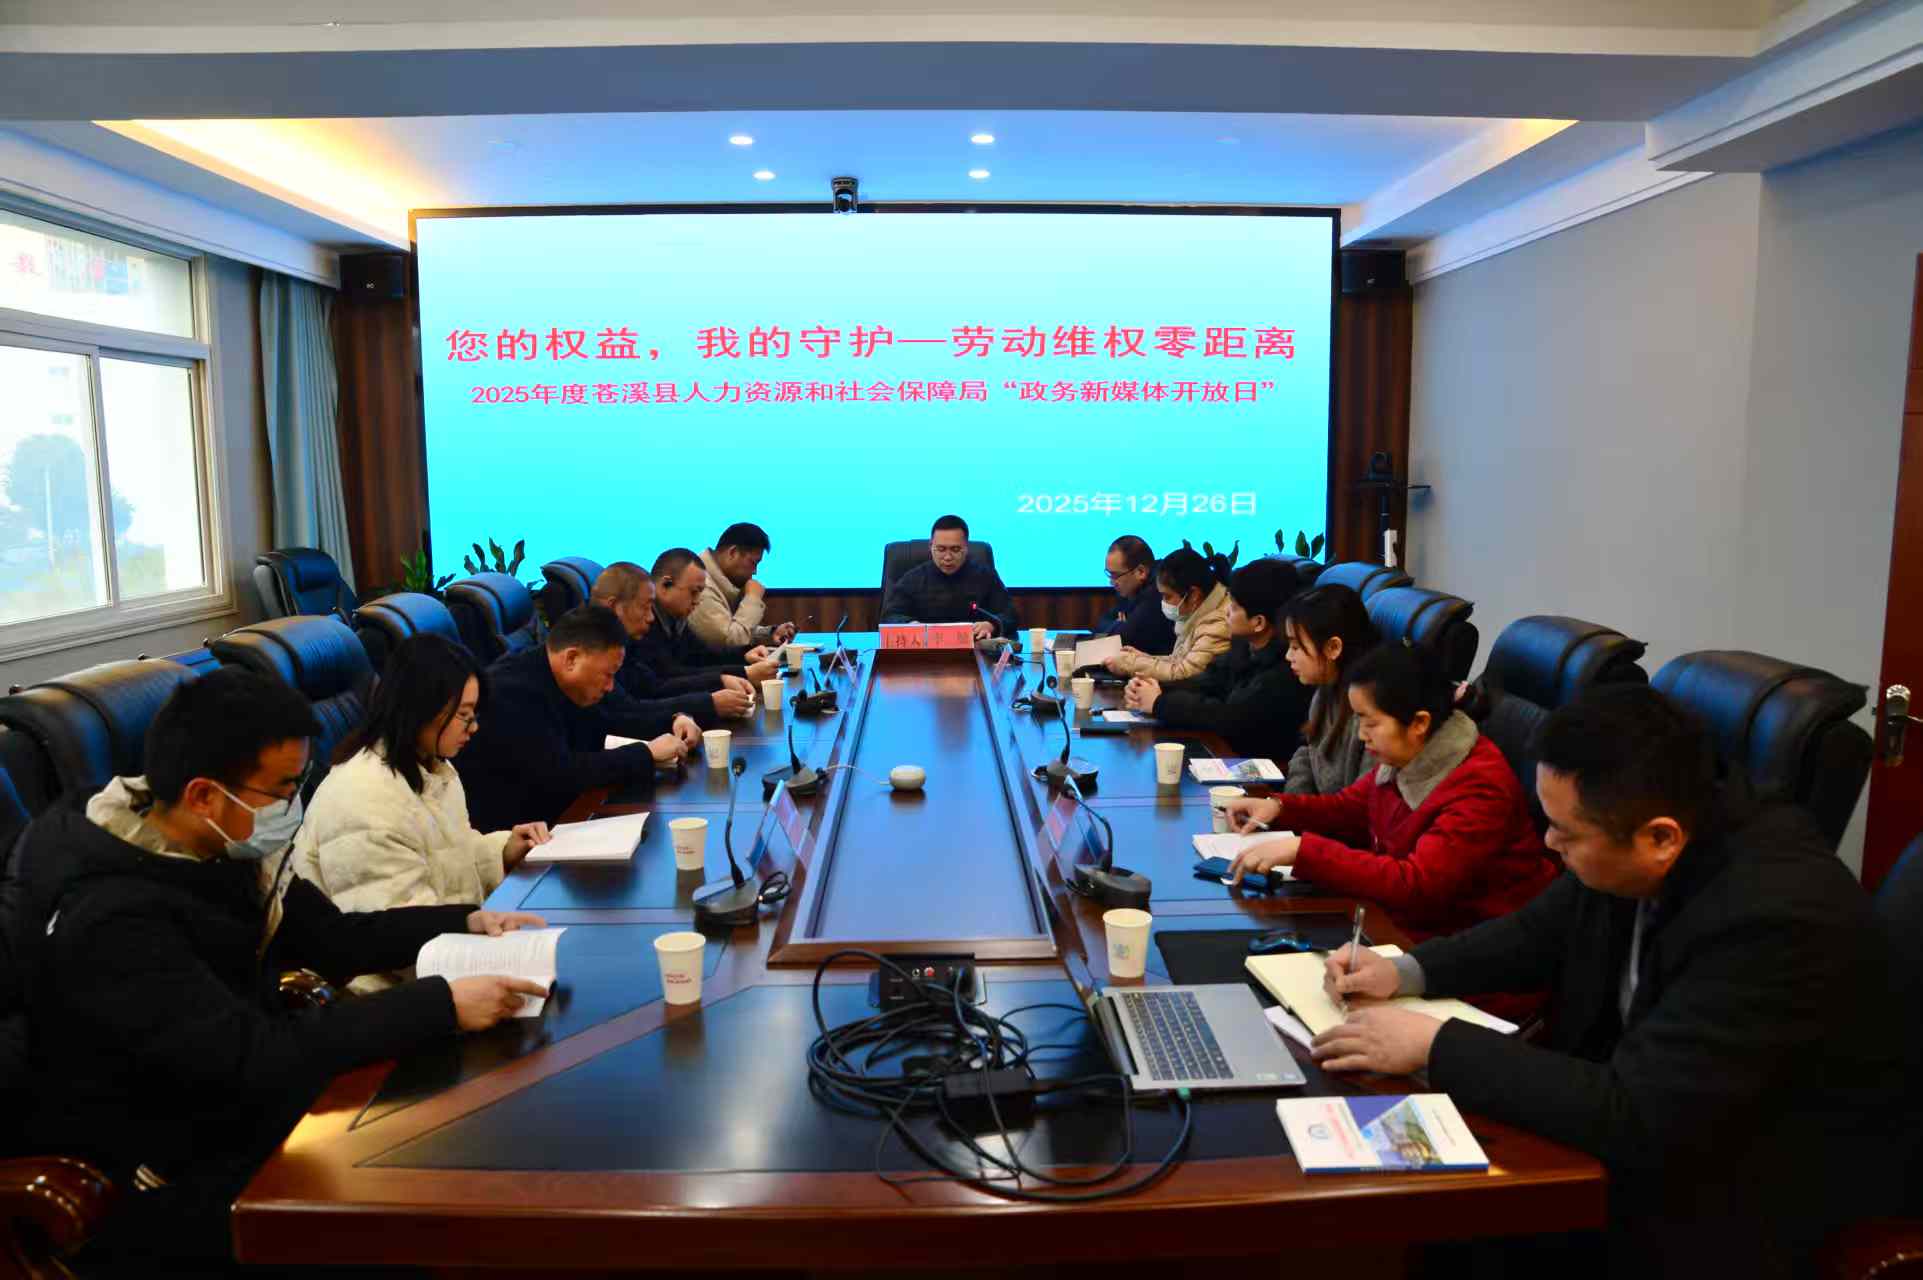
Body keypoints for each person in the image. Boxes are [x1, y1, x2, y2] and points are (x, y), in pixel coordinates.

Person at [1308, 685, 1915, 1279]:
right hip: (1651, 1127)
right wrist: (1403, 969)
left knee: (1427, 1227)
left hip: (1740, 1197)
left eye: (1565, 833)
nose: (1549, 843)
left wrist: (1433, 1043)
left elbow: (1640, 1115)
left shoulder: (1773, 919)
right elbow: (1536, 933)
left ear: (1660, 838)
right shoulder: (1651, 832)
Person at [15, 669, 546, 1271]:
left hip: (240, 1101)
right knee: (424, 1196)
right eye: (284, 789)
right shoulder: (110, 918)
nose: (295, 805)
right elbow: (249, 1054)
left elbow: (338, 939)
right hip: (156, 1169)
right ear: (203, 795)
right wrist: (440, 1004)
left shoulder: (223, 844)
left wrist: (465, 920)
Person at [1223, 643, 1557, 951]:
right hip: (1395, 925)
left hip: (1461, 953)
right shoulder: (1410, 753)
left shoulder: (1480, 788)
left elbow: (1416, 884)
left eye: (1370, 723)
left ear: (1419, 722)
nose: (1361, 735)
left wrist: (1304, 850)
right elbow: (1349, 808)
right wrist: (1278, 807)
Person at [292, 634, 557, 992]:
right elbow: (395, 938)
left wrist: (503, 850)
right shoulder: (364, 799)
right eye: (464, 715)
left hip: (440, 961)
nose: (474, 727)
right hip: (381, 992)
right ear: (421, 709)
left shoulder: (430, 765)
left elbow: (445, 855)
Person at [455, 605, 690, 830]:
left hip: (555, 814)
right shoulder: (512, 692)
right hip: (515, 834)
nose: (610, 686)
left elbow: (612, 718)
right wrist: (646, 753)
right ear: (571, 659)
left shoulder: (558, 675)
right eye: (608, 675)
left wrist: (673, 720)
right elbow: (561, 774)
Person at [1123, 558, 1310, 761]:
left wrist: (1160, 703)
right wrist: (1151, 688)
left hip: (1256, 765)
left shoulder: (1285, 670)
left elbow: (1228, 717)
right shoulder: (1244, 646)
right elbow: (1208, 681)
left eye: (1235, 607)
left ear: (1258, 622)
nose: (1226, 610)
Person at [591, 561, 755, 726]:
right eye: (645, 607)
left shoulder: (626, 641)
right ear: (613, 607)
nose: (651, 617)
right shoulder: (594, 650)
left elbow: (653, 686)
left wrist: (742, 662)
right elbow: (626, 712)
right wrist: (709, 702)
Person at [1279, 582, 1380, 795]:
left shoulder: (1370, 713)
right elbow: (1308, 754)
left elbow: (1362, 802)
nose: (1288, 656)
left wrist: (1299, 808)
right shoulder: (1325, 691)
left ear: (1333, 647)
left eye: (1296, 646)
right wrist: (1295, 803)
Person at [640, 548, 783, 682]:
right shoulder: (643, 624)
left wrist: (745, 655)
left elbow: (704, 655)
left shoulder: (675, 619)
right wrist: (743, 673)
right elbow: (669, 676)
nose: (697, 601)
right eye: (693, 592)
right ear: (666, 584)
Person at [878, 514, 1019, 640]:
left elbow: (1010, 615)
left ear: (966, 548)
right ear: (930, 546)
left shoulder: (985, 576)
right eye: (941, 549)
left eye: (955, 549)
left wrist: (992, 625)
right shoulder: (913, 579)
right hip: (925, 652)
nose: (947, 557)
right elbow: (889, 616)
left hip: (975, 651)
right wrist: (909, 624)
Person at [1102, 546, 1232, 682]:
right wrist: (1143, 658)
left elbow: (1184, 674)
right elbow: (1178, 661)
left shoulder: (1217, 624)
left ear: (1194, 595)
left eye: (1167, 596)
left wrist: (1130, 664)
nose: (1163, 602)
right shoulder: (1198, 613)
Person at [689, 521, 799, 651]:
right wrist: (752, 598)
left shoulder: (718, 580)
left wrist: (770, 634)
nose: (755, 571)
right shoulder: (702, 585)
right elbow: (729, 643)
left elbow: (730, 627)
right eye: (753, 562)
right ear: (732, 553)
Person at [1094, 534, 1176, 654]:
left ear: (1140, 572)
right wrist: (1119, 624)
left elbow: (1123, 638)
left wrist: (1120, 625)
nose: (1111, 582)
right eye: (1109, 574)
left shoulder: (1157, 591)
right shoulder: (1130, 588)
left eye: (1115, 575)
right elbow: (1101, 624)